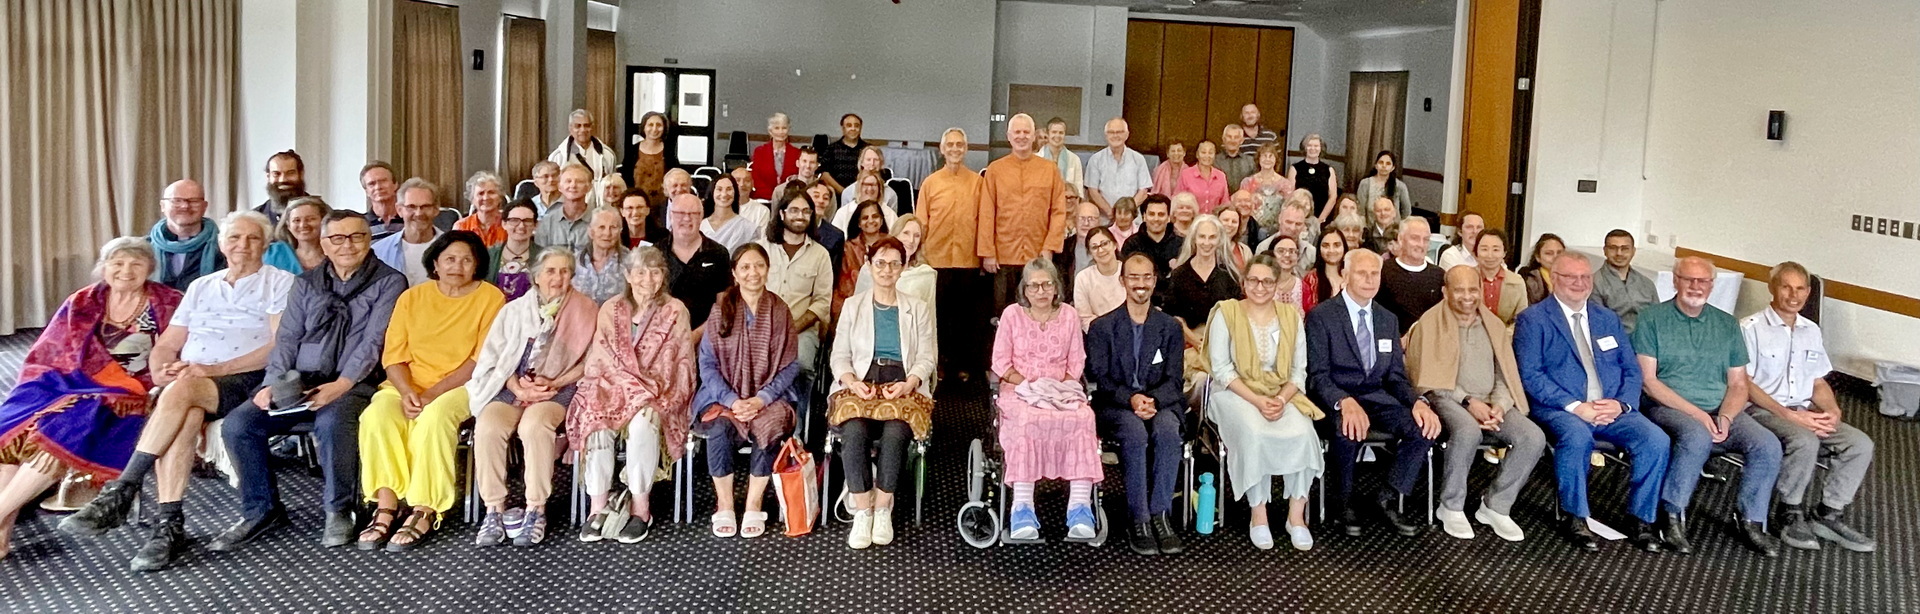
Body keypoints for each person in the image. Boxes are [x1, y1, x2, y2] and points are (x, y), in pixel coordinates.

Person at [59, 212, 294, 571]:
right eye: (234, 238)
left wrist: (211, 370)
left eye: (252, 239)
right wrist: (161, 368)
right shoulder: (203, 286)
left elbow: (277, 346)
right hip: (194, 382)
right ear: (221, 244)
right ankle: (168, 525)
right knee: (184, 414)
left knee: (182, 395)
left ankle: (123, 490)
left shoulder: (280, 282)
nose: (242, 246)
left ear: (265, 244)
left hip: (248, 377)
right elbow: (169, 343)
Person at [219, 212, 406, 551]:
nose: (347, 245)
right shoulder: (306, 282)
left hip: (357, 381)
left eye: (356, 237)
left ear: (369, 239)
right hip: (301, 380)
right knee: (238, 424)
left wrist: (342, 384)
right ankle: (261, 510)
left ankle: (340, 509)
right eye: (337, 238)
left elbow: (374, 342)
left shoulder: (390, 281)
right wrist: (272, 384)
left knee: (333, 421)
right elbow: (287, 338)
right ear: (324, 244)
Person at [0, 239, 183, 560]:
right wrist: (72, 387)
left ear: (150, 269)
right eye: (117, 263)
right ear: (103, 267)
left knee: (59, 431)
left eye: (136, 264)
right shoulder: (83, 301)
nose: (126, 270)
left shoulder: (168, 303)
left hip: (135, 394)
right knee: (13, 430)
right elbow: (52, 352)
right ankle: (2, 534)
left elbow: (182, 351)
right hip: (69, 384)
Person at [354, 231, 505, 552]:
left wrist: (430, 395)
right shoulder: (412, 298)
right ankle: (386, 505)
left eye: (467, 259)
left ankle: (425, 507)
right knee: (377, 416)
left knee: (434, 419)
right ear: (435, 262)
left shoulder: (490, 298)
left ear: (478, 264)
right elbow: (393, 357)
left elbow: (478, 361)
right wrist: (408, 390)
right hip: (406, 385)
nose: (457, 266)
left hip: (462, 386)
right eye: (450, 258)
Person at [1513, 251, 1668, 553]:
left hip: (1611, 406)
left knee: (1656, 439)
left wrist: (1622, 404)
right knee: (1577, 436)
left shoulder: (1606, 318)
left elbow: (1630, 369)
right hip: (1560, 408)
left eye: (1585, 277)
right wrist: (1576, 406)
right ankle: (1575, 516)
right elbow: (1531, 375)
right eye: (1571, 277)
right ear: (1554, 279)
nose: (1580, 283)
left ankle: (1641, 519)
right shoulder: (1533, 319)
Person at [1634, 256, 1783, 557]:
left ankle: (1751, 520)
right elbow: (1649, 381)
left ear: (1712, 286)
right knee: (1697, 435)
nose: (1696, 286)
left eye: (1703, 281)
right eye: (1689, 279)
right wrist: (1699, 415)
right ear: (1675, 281)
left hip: (1719, 409)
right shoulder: (1651, 318)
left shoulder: (1726, 324)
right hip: (1667, 407)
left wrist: (1726, 417)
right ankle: (1671, 515)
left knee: (1767, 444)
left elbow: (1739, 384)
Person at [1740, 262, 1876, 552]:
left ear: (1809, 292)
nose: (1793, 294)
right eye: (1786, 286)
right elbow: (1745, 385)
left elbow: (1817, 383)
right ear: (1772, 288)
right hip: (1761, 411)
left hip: (1801, 411)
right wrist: (1789, 415)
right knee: (1804, 439)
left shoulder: (1810, 330)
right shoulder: (1750, 328)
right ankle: (1788, 512)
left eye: (1800, 288)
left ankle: (1827, 514)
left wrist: (1832, 412)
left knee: (1859, 443)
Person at [1302, 248, 1438, 538]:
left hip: (1377, 397)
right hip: (1337, 398)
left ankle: (1388, 496)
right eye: (1362, 273)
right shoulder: (1321, 316)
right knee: (1349, 428)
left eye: (1374, 273)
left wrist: (1417, 403)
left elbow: (1395, 377)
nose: (1369, 279)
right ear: (1345, 275)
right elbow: (1317, 377)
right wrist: (1343, 401)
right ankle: (1344, 502)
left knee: (1424, 428)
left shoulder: (1387, 319)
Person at [467, 248, 596, 547]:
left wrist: (555, 382)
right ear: (536, 276)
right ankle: (494, 509)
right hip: (512, 385)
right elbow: (494, 359)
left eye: (565, 271)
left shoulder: (586, 309)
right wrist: (516, 387)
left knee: (534, 426)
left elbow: (592, 360)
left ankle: (536, 508)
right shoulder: (513, 310)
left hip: (560, 388)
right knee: (488, 427)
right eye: (551, 271)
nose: (558, 277)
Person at [1406, 266, 1546, 542]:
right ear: (1446, 292)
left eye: (1473, 289)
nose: (1467, 297)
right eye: (1459, 290)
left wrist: (1500, 406)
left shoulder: (1493, 324)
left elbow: (1503, 374)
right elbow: (1429, 380)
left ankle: (1496, 505)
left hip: (1490, 402)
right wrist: (1470, 403)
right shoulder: (1429, 323)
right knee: (1468, 430)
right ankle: (1451, 505)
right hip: (1445, 398)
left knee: (1533, 436)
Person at [569, 246, 696, 543]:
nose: (647, 280)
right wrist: (625, 388)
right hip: (612, 388)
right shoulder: (611, 308)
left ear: (663, 276)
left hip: (658, 390)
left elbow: (677, 362)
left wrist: (642, 391)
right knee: (595, 420)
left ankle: (641, 509)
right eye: (639, 272)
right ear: (627, 275)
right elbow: (600, 359)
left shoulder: (674, 310)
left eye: (654, 272)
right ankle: (597, 507)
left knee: (643, 424)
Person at [1205, 254, 1324, 551]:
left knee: (1304, 433)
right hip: (1234, 393)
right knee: (1255, 433)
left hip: (1281, 393)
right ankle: (1259, 515)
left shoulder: (1291, 316)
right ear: (1244, 283)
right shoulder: (1227, 313)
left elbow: (1299, 371)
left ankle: (1296, 518)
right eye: (1254, 280)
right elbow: (1221, 370)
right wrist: (1258, 400)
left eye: (1268, 281)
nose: (1260, 287)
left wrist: (1282, 399)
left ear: (1276, 284)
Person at [827, 237, 937, 550]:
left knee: (895, 433)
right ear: (869, 265)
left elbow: (926, 357)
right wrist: (850, 381)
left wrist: (910, 382)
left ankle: (884, 507)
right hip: (861, 379)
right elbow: (839, 356)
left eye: (894, 263)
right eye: (880, 263)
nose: (887, 269)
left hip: (901, 381)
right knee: (854, 431)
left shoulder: (916, 308)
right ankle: (863, 509)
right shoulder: (854, 305)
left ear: (903, 268)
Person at [695, 244, 801, 540]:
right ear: (735, 273)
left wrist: (760, 399)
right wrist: (732, 400)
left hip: (769, 398)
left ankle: (754, 501)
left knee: (770, 424)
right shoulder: (720, 311)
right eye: (745, 267)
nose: (753, 273)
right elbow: (707, 364)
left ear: (768, 270)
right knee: (718, 428)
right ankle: (726, 503)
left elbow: (791, 365)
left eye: (759, 266)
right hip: (726, 397)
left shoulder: (780, 311)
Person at [1085, 252, 1187, 556]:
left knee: (1169, 431)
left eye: (1146, 278)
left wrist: (1152, 400)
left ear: (1154, 281)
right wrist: (1131, 398)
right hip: (1116, 406)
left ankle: (1160, 515)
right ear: (1123, 281)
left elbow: (1175, 380)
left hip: (1161, 404)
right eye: (1133, 277)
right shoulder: (1103, 328)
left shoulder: (1170, 327)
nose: (1140, 284)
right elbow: (1100, 378)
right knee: (1135, 433)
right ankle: (1139, 518)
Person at [991, 258, 1101, 541]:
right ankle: (1022, 508)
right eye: (1034, 286)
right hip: (1020, 389)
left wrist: (1058, 388)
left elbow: (1076, 362)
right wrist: (1027, 385)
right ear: (1024, 290)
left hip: (1060, 389)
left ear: (1056, 287)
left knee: (1082, 417)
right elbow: (1001, 363)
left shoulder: (1069, 316)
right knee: (1028, 420)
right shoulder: (1012, 315)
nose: (1041, 291)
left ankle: (1079, 508)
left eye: (1047, 284)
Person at [979, 113, 1069, 315]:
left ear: (1034, 135)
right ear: (1009, 136)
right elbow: (986, 212)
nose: (1021, 136)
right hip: (1003, 257)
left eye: (1026, 132)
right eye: (1017, 132)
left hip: (1038, 255)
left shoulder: (1050, 170)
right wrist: (988, 252)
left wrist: (1050, 247)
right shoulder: (995, 170)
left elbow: (1058, 211)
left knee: (1037, 311)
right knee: (1002, 314)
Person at [921, 128, 989, 379]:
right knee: (937, 316)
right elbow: (921, 223)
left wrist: (984, 255)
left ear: (966, 149)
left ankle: (961, 365)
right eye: (950, 145)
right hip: (935, 260)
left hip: (967, 260)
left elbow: (985, 221)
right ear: (942, 149)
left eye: (960, 145)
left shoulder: (978, 183)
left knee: (964, 318)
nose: (955, 149)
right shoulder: (930, 183)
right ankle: (938, 363)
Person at [760, 185, 835, 392]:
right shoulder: (762, 249)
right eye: (794, 210)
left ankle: (799, 420)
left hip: (801, 330)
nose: (800, 216)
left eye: (805, 211)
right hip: (761, 326)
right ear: (782, 214)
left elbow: (822, 302)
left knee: (799, 364)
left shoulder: (820, 255)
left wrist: (792, 328)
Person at [1159, 215, 1242, 357]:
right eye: (1202, 237)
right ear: (1194, 239)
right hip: (1188, 346)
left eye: (1212, 237)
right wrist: (1196, 342)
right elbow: (1172, 316)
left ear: (1219, 240)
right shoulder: (1179, 275)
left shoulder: (1229, 275)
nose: (1206, 242)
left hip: (1224, 345)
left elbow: (1237, 314)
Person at [663, 194, 735, 333]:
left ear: (701, 217)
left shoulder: (718, 253)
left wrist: (695, 336)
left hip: (708, 338)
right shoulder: (657, 252)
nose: (687, 218)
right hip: (663, 337)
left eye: (693, 214)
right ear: (671, 216)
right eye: (680, 213)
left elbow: (722, 307)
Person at [148, 180, 226, 292]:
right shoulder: (144, 249)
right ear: (163, 206)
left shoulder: (224, 248)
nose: (185, 206)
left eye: (194, 201)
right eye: (176, 200)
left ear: (204, 207)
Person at [372, 178, 446, 286]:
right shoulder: (378, 252)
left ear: (436, 209)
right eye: (411, 207)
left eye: (425, 206)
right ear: (399, 210)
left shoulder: (452, 248)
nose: (418, 213)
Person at [1378, 218, 1445, 337]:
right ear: (1400, 239)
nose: (1421, 244)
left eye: (1426, 240)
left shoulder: (1439, 276)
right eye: (1415, 238)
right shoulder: (1382, 272)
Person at [855, 214, 936, 307]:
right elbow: (857, 306)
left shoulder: (925, 274)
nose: (911, 240)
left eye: (917, 236)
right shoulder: (870, 268)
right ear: (896, 234)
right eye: (906, 233)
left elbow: (929, 313)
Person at [1084, 118, 1152, 221]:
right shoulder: (1096, 160)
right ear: (1106, 135)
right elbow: (1092, 191)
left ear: (1127, 134)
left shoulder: (1138, 159)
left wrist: (1126, 212)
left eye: (1119, 132)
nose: (1115, 135)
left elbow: (1143, 191)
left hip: (1132, 220)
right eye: (1111, 132)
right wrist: (1110, 213)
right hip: (1105, 220)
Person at [835, 199, 890, 323]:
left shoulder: (892, 245)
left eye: (875, 216)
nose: (870, 221)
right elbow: (844, 286)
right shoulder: (848, 248)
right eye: (865, 218)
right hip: (855, 307)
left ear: (881, 220)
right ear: (859, 223)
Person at [1594, 229, 1659, 332]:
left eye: (1625, 249)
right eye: (1613, 248)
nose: (1619, 253)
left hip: (1646, 339)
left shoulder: (1646, 283)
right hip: (1615, 339)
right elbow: (1597, 322)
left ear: (1633, 251)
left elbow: (1657, 317)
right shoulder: (1595, 282)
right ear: (1605, 250)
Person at [573, 208, 629, 304]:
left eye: (613, 227)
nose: (607, 233)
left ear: (620, 231)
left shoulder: (631, 261)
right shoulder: (574, 261)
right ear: (591, 232)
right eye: (601, 227)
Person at [536, 163, 594, 254]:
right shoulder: (547, 222)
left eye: (579, 182)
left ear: (589, 187)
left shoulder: (599, 220)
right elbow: (539, 257)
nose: (573, 185)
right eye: (568, 181)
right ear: (559, 187)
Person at [490, 201, 542, 302]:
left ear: (535, 225)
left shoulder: (544, 257)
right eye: (514, 220)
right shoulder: (489, 256)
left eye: (527, 221)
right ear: (504, 224)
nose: (521, 226)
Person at [1073, 227, 1124, 331]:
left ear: (1114, 244)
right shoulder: (1083, 278)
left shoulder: (1129, 271)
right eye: (1095, 247)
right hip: (1099, 335)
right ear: (1090, 252)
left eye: (1104, 244)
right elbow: (1084, 318)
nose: (1100, 250)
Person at [1473, 229, 1528, 325]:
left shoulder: (1517, 282)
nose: (1490, 255)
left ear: (1504, 253)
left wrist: (1503, 336)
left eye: (1496, 250)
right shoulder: (1465, 278)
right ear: (1476, 252)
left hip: (1506, 337)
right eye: (1484, 249)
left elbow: (1522, 320)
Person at [264, 196, 331, 274]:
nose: (303, 225)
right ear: (288, 225)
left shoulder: (337, 252)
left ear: (325, 221)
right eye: (297, 220)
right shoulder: (274, 254)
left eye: (310, 219)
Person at [548, 109, 620, 181]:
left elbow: (612, 183)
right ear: (570, 128)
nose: (583, 130)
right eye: (578, 126)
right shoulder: (557, 157)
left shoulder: (607, 154)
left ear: (592, 127)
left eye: (586, 125)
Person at [1121, 193, 1181, 279]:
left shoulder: (1181, 245)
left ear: (1168, 217)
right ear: (1144, 216)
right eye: (1151, 214)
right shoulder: (1131, 244)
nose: (1156, 219)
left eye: (1161, 214)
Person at [1244, 142, 1295, 242]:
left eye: (1271, 156)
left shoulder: (1285, 184)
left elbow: (1289, 208)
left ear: (1276, 160)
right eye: (1264, 156)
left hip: (1276, 230)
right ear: (1258, 159)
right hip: (1252, 231)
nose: (1267, 159)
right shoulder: (1248, 182)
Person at [701, 174, 765, 252]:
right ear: (712, 192)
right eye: (719, 189)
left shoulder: (748, 228)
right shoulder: (700, 226)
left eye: (729, 189)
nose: (724, 194)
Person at [1052, 200, 1107, 285]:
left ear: (1099, 222)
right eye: (1081, 218)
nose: (1086, 223)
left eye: (1091, 219)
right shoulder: (1063, 249)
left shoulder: (1107, 248)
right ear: (1075, 221)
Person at [750, 113, 801, 200]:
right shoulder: (760, 151)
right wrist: (773, 196)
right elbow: (756, 178)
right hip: (764, 198)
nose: (781, 132)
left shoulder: (796, 153)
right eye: (777, 128)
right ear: (770, 131)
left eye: (784, 128)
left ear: (788, 130)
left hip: (788, 199)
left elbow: (798, 178)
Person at [1353, 150, 1413, 220]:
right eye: (1381, 162)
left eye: (1388, 163)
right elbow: (1361, 211)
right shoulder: (1365, 183)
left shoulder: (1400, 186)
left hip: (1393, 228)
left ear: (1393, 168)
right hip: (1370, 227)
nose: (1384, 166)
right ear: (1376, 165)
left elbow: (1406, 212)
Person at [1289, 135, 1337, 221]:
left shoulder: (1329, 170)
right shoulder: (1295, 168)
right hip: (1300, 217)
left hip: (1322, 218)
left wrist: (1321, 219)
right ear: (1305, 148)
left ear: (1321, 148)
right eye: (1309, 145)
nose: (1313, 148)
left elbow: (1333, 197)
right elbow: (1291, 195)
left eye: (1316, 146)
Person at [834, 171, 901, 232]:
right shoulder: (843, 213)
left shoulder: (890, 214)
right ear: (859, 187)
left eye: (873, 185)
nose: (870, 189)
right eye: (865, 184)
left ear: (880, 189)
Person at [454, 171, 509, 247]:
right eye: (481, 193)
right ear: (472, 199)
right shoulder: (461, 227)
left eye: (491, 192)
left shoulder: (510, 224)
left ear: (500, 197)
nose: (486, 198)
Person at [1176, 140, 1230, 214]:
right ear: (1197, 155)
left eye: (1210, 153)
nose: (1207, 156)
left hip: (1214, 221)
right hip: (1191, 221)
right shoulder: (1186, 174)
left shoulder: (1221, 176)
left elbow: (1225, 203)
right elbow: (1178, 200)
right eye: (1203, 152)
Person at [1038, 117, 1085, 198]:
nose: (1057, 136)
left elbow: (1079, 191)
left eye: (1061, 133)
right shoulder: (1036, 158)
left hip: (1068, 203)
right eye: (1054, 132)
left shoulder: (1074, 159)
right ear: (1048, 134)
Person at [257, 150, 308, 225]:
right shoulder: (255, 218)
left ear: (301, 174)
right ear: (268, 177)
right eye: (276, 174)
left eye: (290, 173)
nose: (283, 179)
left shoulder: (323, 214)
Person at [806, 178, 847, 269]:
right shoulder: (792, 229)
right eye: (816, 196)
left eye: (825, 198)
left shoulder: (836, 236)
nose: (821, 201)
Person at [822, 113, 872, 188]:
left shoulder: (869, 149)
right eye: (849, 125)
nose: (853, 129)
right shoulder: (831, 149)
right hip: (837, 194)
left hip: (863, 193)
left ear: (860, 128)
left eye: (857, 126)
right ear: (843, 128)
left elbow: (874, 173)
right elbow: (825, 174)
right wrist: (843, 193)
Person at [1518, 233, 1565, 306]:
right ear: (1538, 257)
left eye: (1559, 253)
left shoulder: (1576, 278)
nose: (1556, 257)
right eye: (1549, 253)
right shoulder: (1529, 280)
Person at [1270, 235, 1314, 313]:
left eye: (1292, 251)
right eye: (1281, 251)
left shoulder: (1303, 288)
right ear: (1272, 254)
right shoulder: (1262, 284)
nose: (1287, 255)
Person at [361, 161, 405, 238]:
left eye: (383, 181)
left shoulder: (410, 218)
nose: (378, 187)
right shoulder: (360, 224)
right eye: (372, 184)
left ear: (395, 185)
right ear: (366, 191)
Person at [630, 112, 669, 196]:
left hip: (663, 203)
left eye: (659, 125)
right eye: (650, 125)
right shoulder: (632, 150)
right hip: (636, 201)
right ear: (644, 127)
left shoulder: (669, 151)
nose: (654, 129)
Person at [1311, 229, 1349, 306]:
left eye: (1336, 245)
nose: (1331, 250)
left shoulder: (1353, 276)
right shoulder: (1311, 279)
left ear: (1344, 247)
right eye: (1326, 246)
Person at [1215, 124, 1256, 192]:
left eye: (1236, 137)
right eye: (1229, 137)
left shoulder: (1251, 162)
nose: (1232, 140)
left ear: (1242, 140)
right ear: (1223, 139)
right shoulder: (1215, 161)